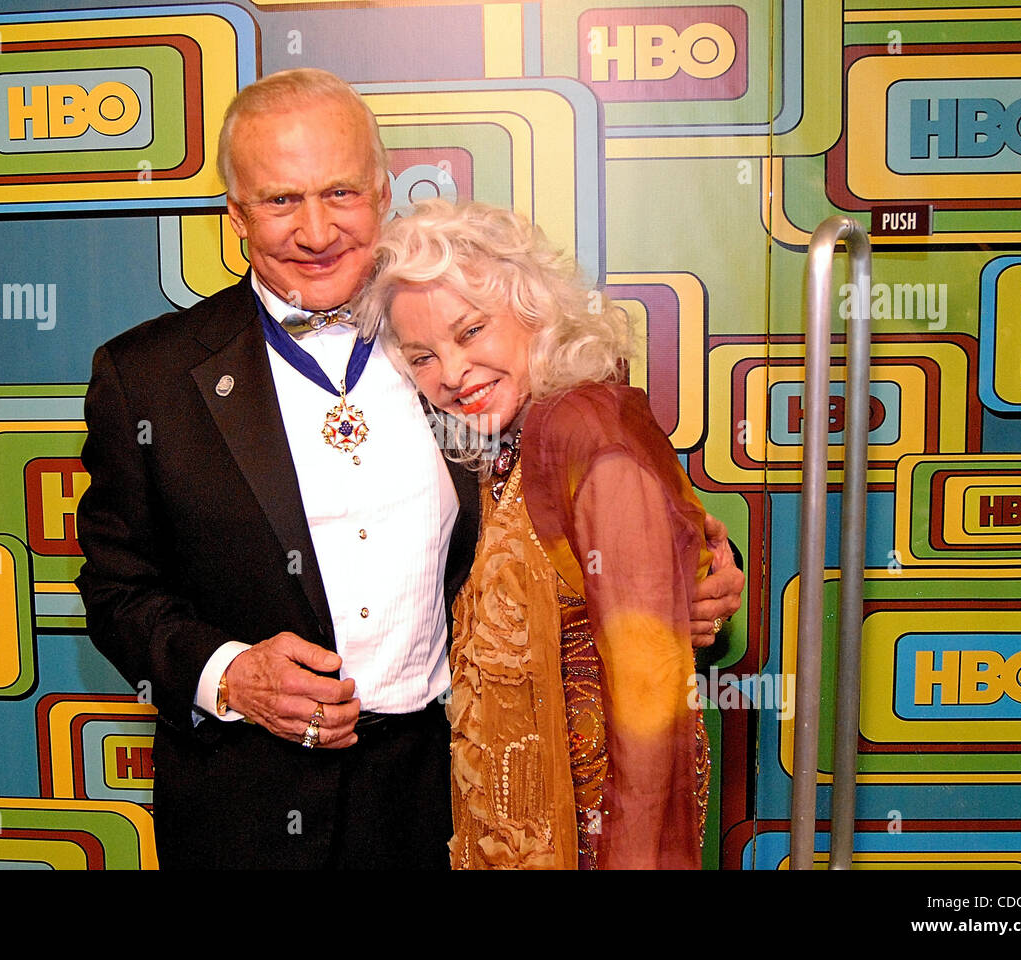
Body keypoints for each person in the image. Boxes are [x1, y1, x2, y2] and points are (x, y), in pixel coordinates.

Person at [76, 68, 743, 869]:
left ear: (383, 192)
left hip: (445, 791)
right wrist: (231, 673)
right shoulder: (143, 376)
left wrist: (692, 575)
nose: (316, 230)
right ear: (236, 215)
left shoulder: (467, 349)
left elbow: (595, 511)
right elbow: (116, 592)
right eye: (282, 200)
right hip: (241, 803)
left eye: (341, 193)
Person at [357, 199, 717, 869]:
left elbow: (650, 686)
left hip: (598, 833)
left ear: (534, 309)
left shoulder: (584, 429)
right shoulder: (512, 437)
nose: (453, 374)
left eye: (471, 331)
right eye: (423, 356)